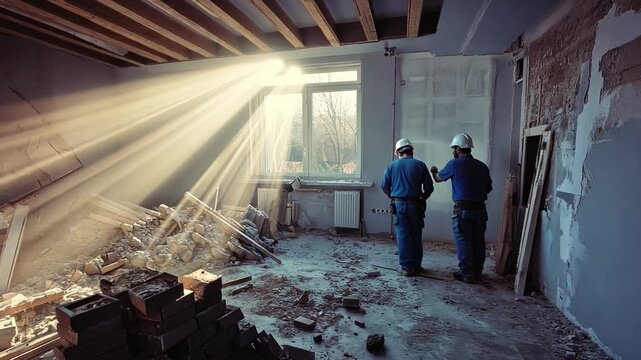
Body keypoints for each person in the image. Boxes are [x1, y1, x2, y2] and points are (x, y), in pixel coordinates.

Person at [431, 133, 492, 283]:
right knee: (478, 241)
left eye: (453, 148)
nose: (453, 151)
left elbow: (438, 179)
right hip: (480, 210)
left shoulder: (454, 164)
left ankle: (467, 273)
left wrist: (433, 171)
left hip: (463, 210)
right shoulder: (482, 166)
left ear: (458, 149)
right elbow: (488, 188)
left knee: (464, 241)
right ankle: (477, 272)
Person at [381, 138, 434, 276]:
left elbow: (384, 186)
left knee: (403, 235)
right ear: (411, 151)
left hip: (399, 205)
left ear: (398, 152)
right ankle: (416, 266)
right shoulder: (420, 165)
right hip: (416, 205)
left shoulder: (391, 166)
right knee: (416, 234)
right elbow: (429, 188)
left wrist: (392, 196)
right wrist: (423, 197)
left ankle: (406, 267)